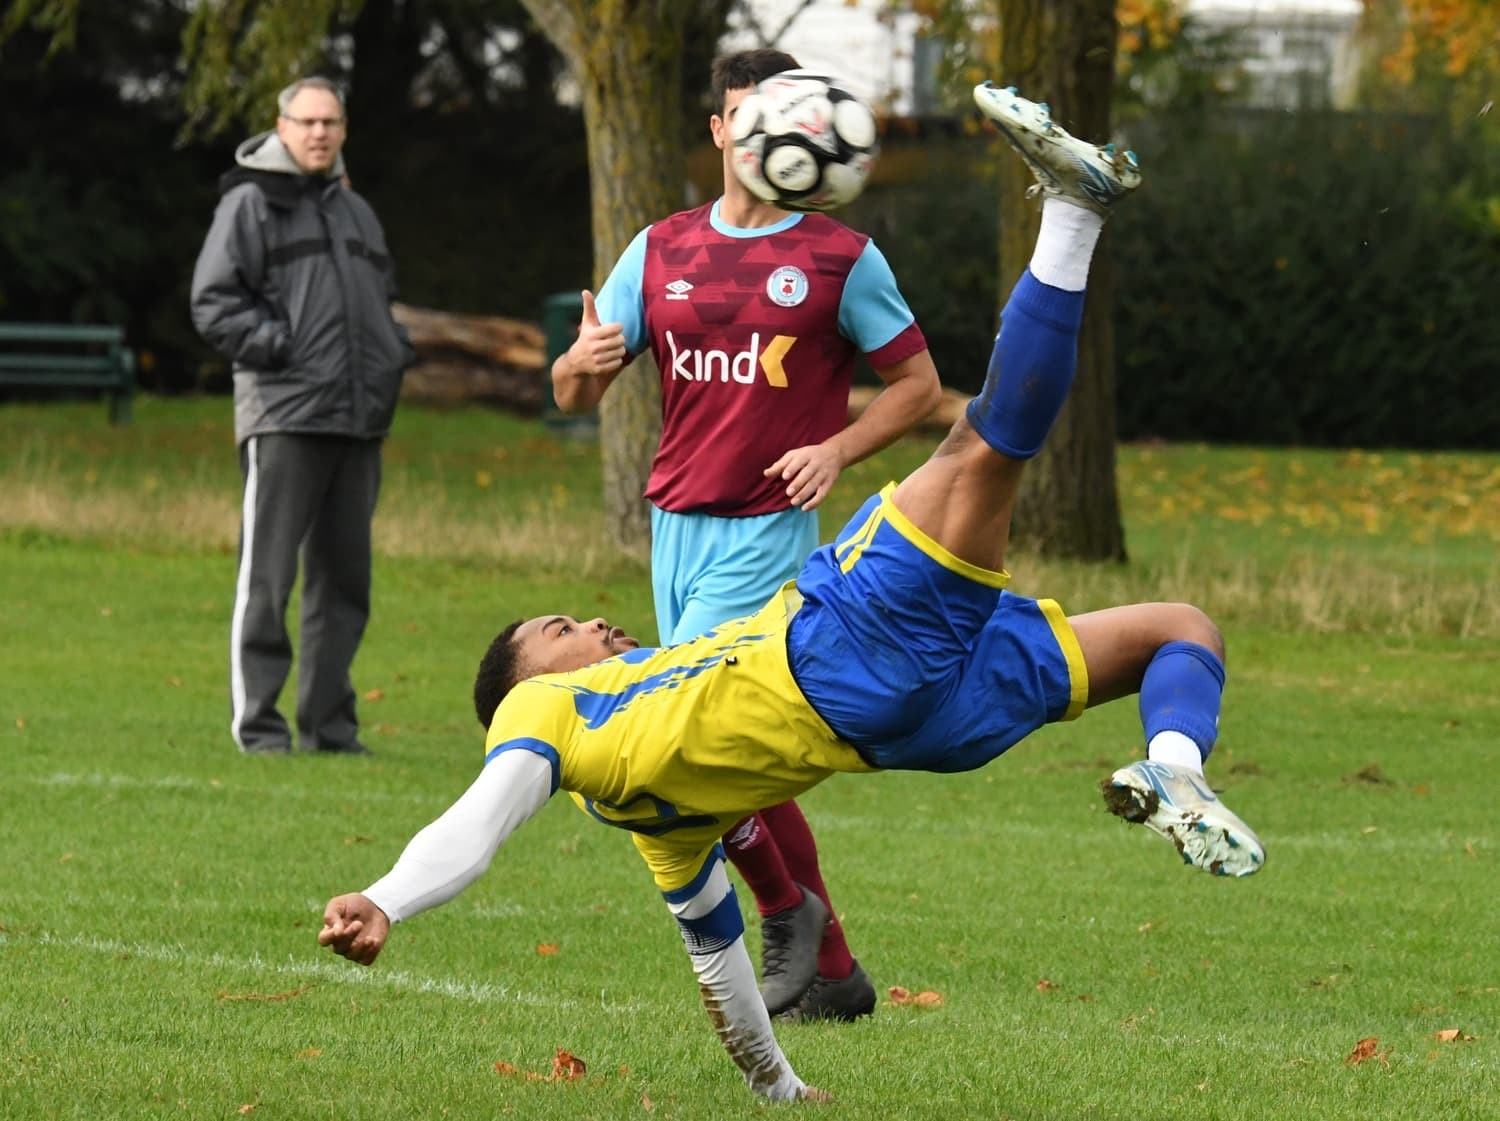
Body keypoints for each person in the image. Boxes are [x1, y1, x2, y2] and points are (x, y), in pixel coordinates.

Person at [320, 85, 1265, 1102]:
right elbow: (479, 817)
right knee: (984, 443)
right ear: (522, 688)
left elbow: (718, 965)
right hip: (840, 649)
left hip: (909, 726)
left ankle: (1177, 766)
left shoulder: (662, 828)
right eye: (558, 628)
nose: (589, 620)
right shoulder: (549, 711)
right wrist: (385, 897)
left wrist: (779, 1085)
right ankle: (1074, 213)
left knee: (1179, 629)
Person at [549, 47, 944, 1022]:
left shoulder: (840, 258)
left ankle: (785, 917)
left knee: (690, 740)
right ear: (722, 132)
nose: (763, 134)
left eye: (782, 115)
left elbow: (922, 387)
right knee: (731, 746)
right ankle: (835, 967)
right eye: (742, 117)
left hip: (766, 526)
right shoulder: (662, 248)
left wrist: (837, 447)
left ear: (809, 130)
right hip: (672, 524)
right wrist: (583, 362)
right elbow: (571, 392)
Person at [190, 76, 415, 756]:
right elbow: (213, 302)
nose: (319, 132)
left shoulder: (357, 213)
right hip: (285, 417)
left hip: (357, 419)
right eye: (306, 121)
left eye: (330, 122)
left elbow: (382, 301)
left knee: (344, 584)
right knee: (269, 577)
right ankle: (258, 725)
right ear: (281, 127)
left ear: (343, 131)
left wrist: (391, 355)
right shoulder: (250, 204)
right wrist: (283, 350)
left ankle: (330, 727)